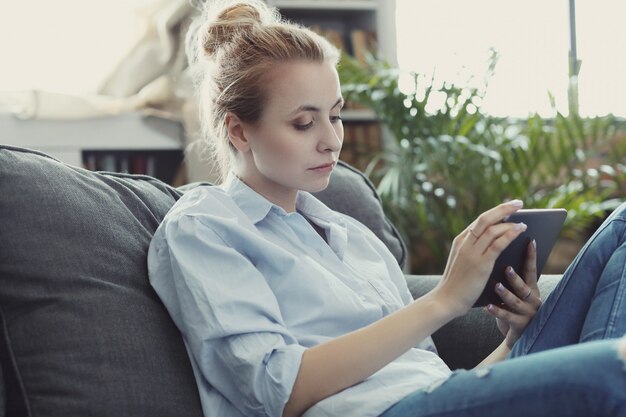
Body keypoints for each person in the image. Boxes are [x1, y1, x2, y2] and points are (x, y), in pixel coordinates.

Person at [147, 1, 626, 416]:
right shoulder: (205, 228)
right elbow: (279, 390)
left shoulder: (351, 237)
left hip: (437, 399)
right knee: (611, 371)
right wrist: (444, 299)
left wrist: (512, 340)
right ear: (238, 131)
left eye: (335, 115)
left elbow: (433, 385)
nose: (331, 140)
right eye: (303, 123)